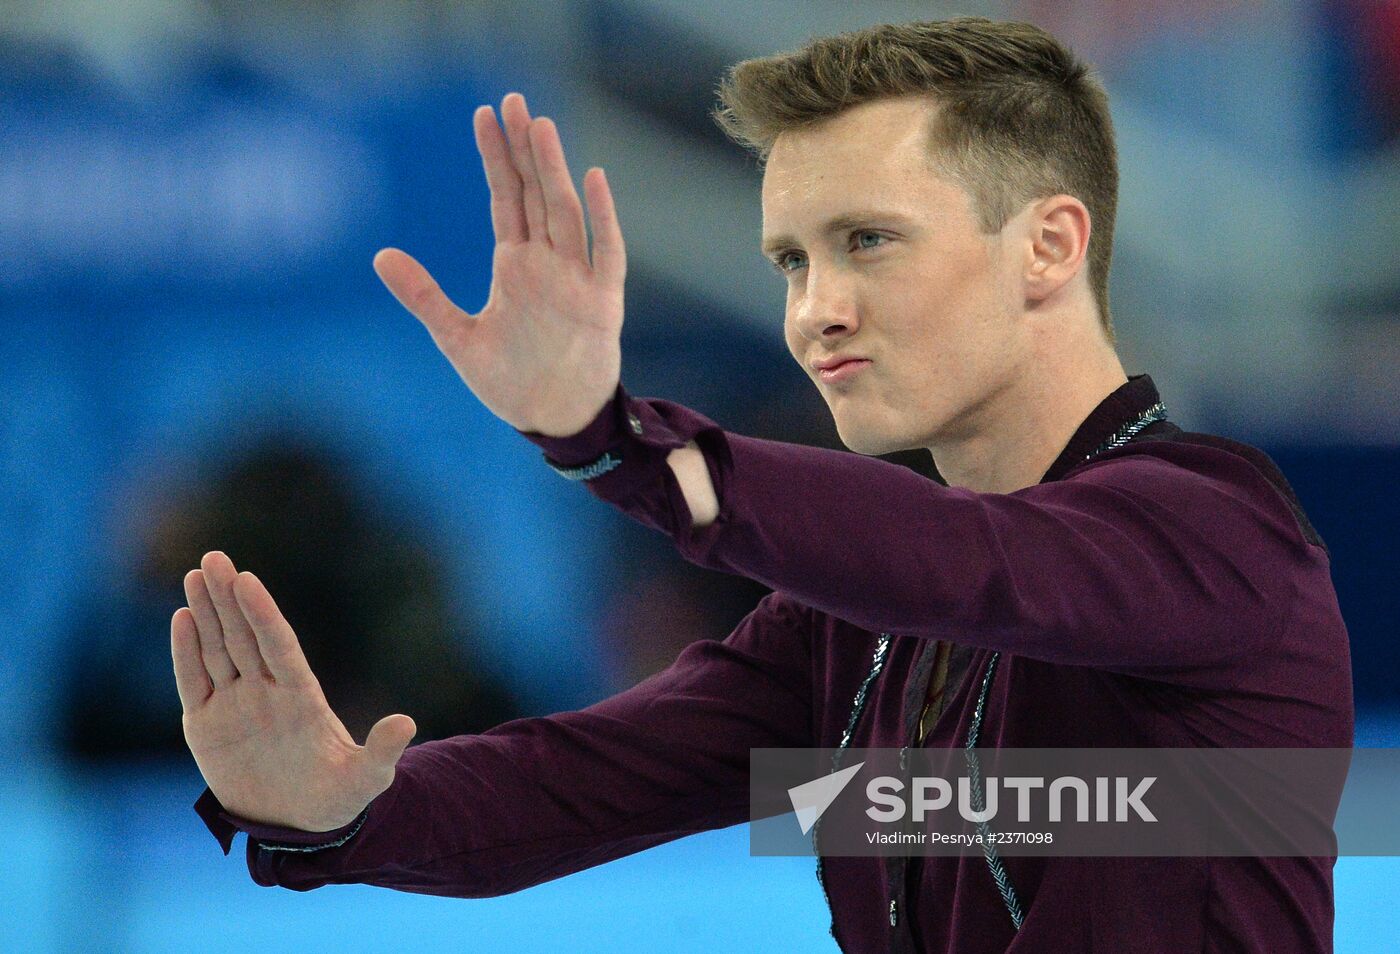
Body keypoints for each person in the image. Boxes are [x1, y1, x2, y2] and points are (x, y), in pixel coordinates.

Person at [174, 18, 1353, 953]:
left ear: (1047, 244)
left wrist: (608, 441)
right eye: (790, 259)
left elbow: (975, 568)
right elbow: (587, 784)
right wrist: (339, 811)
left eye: (868, 242)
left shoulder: (1219, 531)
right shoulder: (847, 626)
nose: (813, 312)